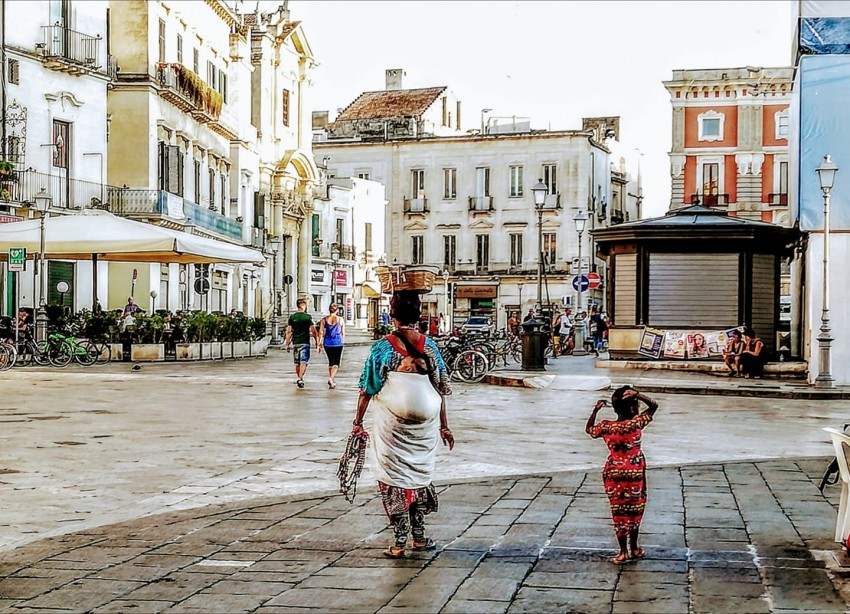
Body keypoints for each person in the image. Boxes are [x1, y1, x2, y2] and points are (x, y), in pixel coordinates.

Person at [352, 289, 454, 559]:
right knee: (418, 476)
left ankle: (399, 542)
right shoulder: (430, 347)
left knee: (394, 477)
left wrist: (357, 422)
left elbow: (367, 388)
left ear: (393, 317)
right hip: (425, 424)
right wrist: (444, 426)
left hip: (392, 424)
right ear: (417, 316)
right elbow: (441, 388)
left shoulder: (383, 347)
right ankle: (419, 537)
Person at [586, 385, 659, 565]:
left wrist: (595, 410)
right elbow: (654, 406)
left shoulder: (606, 427)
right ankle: (634, 548)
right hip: (634, 471)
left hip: (614, 471)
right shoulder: (635, 424)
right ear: (633, 408)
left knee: (618, 510)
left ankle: (622, 552)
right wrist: (638, 395)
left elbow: (590, 430)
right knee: (635, 509)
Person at [284, 298, 320, 389]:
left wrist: (287, 344)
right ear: (304, 305)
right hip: (305, 342)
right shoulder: (307, 317)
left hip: (296, 342)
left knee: (297, 363)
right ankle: (300, 378)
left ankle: (300, 378)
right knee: (303, 361)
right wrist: (317, 342)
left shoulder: (292, 317)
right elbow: (313, 331)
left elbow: (289, 331)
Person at [319, 303, 345, 389]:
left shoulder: (324, 320)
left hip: (327, 343)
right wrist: (343, 341)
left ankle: (332, 381)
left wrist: (319, 343)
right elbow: (343, 332)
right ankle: (330, 378)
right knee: (336, 363)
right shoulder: (340, 319)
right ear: (337, 310)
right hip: (337, 343)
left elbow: (321, 332)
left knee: (331, 362)